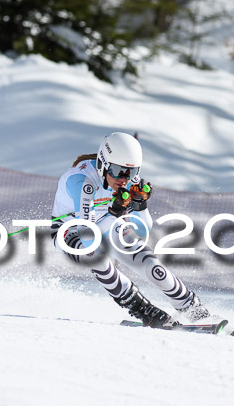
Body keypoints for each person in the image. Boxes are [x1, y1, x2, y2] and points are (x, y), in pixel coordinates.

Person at [50, 132, 211, 328]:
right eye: (118, 171)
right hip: (71, 231)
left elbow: (143, 232)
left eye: (132, 171)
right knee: (98, 259)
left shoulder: (129, 180)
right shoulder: (82, 182)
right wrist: (116, 212)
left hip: (106, 223)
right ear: (103, 164)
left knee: (152, 266)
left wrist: (139, 205)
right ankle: (145, 311)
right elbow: (88, 239)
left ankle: (196, 311)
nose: (124, 179)